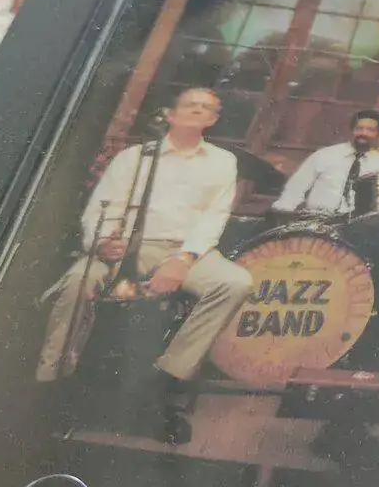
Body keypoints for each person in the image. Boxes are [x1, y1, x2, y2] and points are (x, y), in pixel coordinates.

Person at [36, 87, 251, 444]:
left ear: (214, 119)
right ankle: (53, 381)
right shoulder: (134, 158)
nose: (198, 110)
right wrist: (103, 243)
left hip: (186, 251)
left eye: (207, 108)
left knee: (235, 282)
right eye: (191, 105)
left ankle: (166, 378)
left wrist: (183, 260)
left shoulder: (222, 161)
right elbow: (101, 207)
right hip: (125, 248)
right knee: (77, 281)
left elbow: (214, 218)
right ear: (171, 114)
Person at [272, 109, 379, 216]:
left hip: (355, 227)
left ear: (378, 134)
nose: (364, 133)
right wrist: (281, 214)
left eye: (370, 130)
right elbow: (296, 187)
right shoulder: (325, 155)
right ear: (352, 131)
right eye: (359, 128)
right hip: (317, 221)